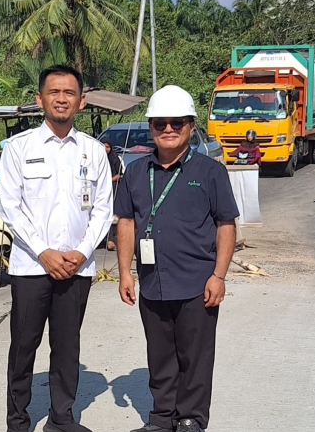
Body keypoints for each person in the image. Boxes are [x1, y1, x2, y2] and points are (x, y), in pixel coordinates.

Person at [115, 85, 240, 432]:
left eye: (177, 123)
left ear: (190, 126)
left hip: (197, 283)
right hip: (152, 281)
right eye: (160, 123)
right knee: (159, 355)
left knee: (195, 356)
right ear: (151, 127)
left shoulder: (210, 172)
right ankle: (162, 417)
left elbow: (226, 224)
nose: (168, 129)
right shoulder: (135, 172)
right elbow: (125, 222)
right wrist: (125, 272)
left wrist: (219, 276)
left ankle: (191, 419)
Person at [0, 65, 114, 432]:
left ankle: (62, 419)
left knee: (67, 347)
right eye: (54, 92)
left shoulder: (93, 151)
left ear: (81, 101)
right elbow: (10, 207)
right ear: (39, 99)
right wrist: (44, 252)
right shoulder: (18, 148)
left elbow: (102, 209)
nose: (61, 99)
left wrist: (81, 252)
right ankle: (18, 421)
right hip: (31, 268)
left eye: (69, 93)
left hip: (76, 269)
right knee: (23, 347)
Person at [101, 137, 123, 251]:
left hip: (112, 187)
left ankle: (111, 239)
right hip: (99, 189)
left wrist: (108, 181)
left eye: (107, 146)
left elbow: (119, 174)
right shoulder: (96, 157)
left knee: (112, 213)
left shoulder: (114, 158)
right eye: (103, 146)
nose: (105, 149)